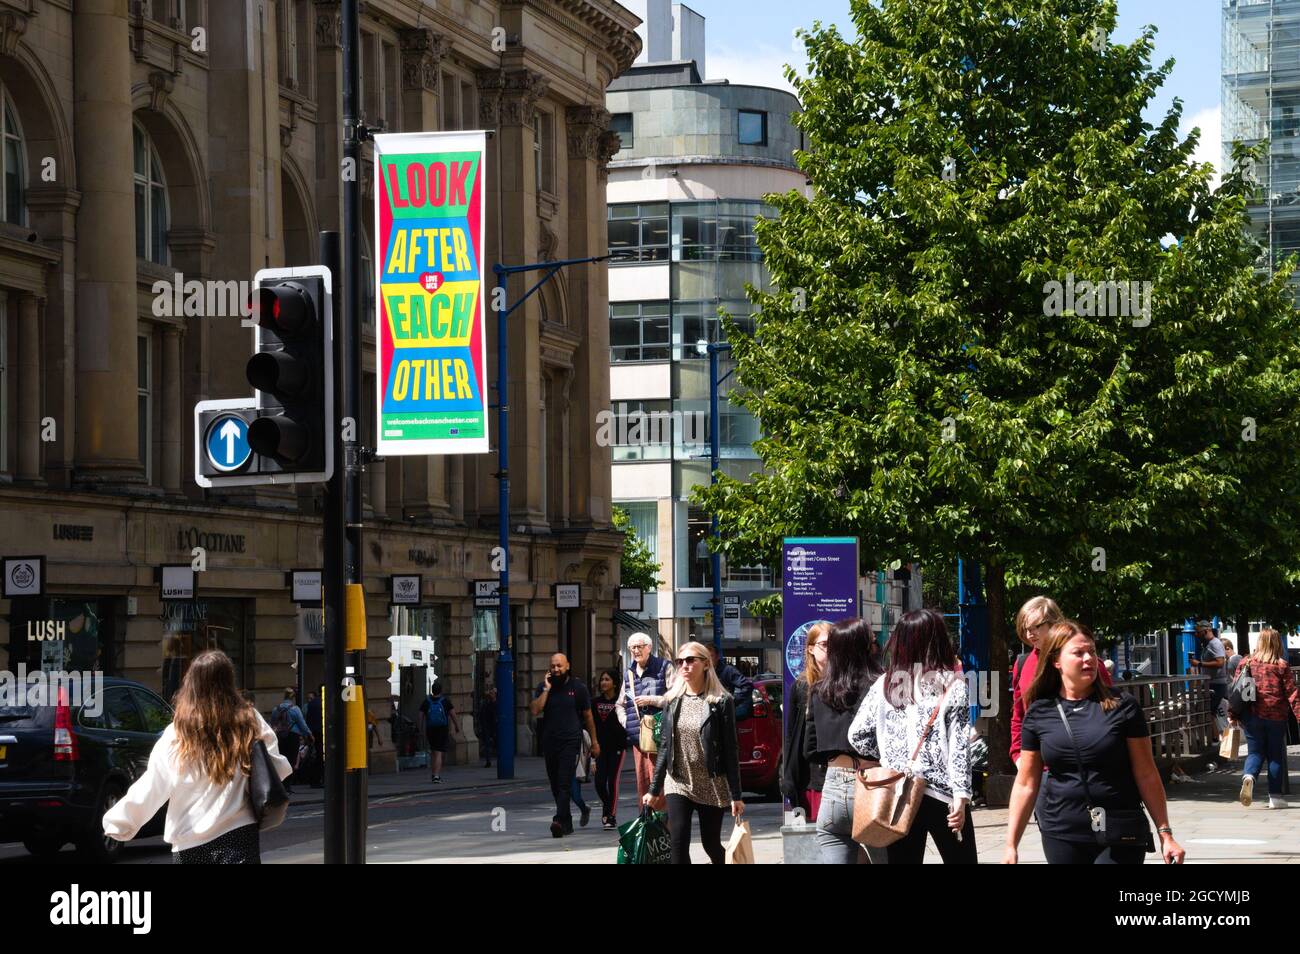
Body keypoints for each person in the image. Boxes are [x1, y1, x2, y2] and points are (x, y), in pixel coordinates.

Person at [1004, 621, 1185, 865]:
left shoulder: (1123, 706)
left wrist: (1165, 833)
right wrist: (1011, 845)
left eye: (1092, 651)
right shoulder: (1039, 712)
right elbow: (1026, 783)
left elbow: (1146, 772)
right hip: (1062, 831)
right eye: (1078, 653)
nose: (1088, 658)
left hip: (1120, 830)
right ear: (1056, 661)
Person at [102, 650, 292, 863]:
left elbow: (154, 784)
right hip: (239, 835)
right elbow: (277, 768)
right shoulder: (249, 720)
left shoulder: (178, 732)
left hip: (189, 841)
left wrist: (120, 822)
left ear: (191, 684)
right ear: (229, 681)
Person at [849, 609, 976, 864]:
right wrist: (962, 798)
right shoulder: (953, 686)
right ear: (938, 640)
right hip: (943, 796)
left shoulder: (885, 684)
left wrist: (887, 755)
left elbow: (857, 735)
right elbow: (959, 750)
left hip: (899, 793)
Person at [644, 641, 743, 864]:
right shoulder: (672, 700)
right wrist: (653, 789)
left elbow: (730, 749)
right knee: (677, 842)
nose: (684, 666)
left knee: (711, 844)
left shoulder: (720, 701)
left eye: (690, 660)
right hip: (678, 781)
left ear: (706, 664)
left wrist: (736, 794)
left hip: (711, 782)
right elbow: (665, 748)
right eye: (680, 662)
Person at [805, 618, 887, 863]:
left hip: (834, 787)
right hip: (875, 783)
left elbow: (809, 748)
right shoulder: (881, 686)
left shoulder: (819, 689)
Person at [530, 653, 600, 837]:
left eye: (559, 665)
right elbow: (535, 710)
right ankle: (566, 822)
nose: (556, 669)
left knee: (563, 783)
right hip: (550, 741)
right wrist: (546, 689)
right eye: (553, 666)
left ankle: (559, 820)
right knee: (555, 785)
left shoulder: (578, 687)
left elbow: (588, 716)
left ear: (567, 666)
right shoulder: (544, 687)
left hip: (571, 741)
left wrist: (594, 742)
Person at [1231, 627, 1300, 809]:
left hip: (1251, 715)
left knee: (1255, 752)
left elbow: (1236, 691)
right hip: (1276, 716)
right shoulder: (1282, 665)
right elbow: (1293, 694)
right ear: (1277, 643)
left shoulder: (1246, 663)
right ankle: (1275, 797)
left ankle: (1249, 776)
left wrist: (1233, 715)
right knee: (1275, 756)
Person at [782, 622, 829, 820]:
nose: (832, 650)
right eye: (825, 644)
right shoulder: (802, 686)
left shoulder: (847, 683)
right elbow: (792, 736)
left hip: (842, 776)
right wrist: (790, 779)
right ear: (810, 648)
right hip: (812, 778)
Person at [1010, 596, 1064, 767]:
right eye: (1026, 629)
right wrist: (1018, 756)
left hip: (1077, 766)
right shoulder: (1022, 663)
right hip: (1035, 767)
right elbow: (1018, 716)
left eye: (1036, 627)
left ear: (1054, 622)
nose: (1029, 634)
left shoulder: (1078, 657)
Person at [623, 633, 674, 802]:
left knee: (658, 779)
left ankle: (662, 823)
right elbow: (620, 704)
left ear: (649, 648)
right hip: (638, 737)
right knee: (642, 782)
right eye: (633, 648)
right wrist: (626, 722)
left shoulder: (664, 667)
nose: (636, 651)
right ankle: (646, 821)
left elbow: (675, 698)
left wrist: (652, 700)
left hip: (660, 735)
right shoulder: (629, 673)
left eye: (639, 646)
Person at [592, 668, 629, 830]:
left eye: (607, 679)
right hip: (600, 749)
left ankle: (611, 816)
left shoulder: (621, 702)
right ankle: (607, 806)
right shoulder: (595, 702)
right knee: (599, 782)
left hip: (617, 749)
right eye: (602, 679)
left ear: (614, 683)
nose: (603, 682)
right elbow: (590, 724)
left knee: (612, 782)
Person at [270, 688, 313, 793]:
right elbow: (302, 724)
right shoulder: (295, 709)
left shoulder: (276, 709)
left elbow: (272, 723)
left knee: (281, 760)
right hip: (293, 737)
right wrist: (309, 734)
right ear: (293, 697)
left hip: (280, 737)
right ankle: (287, 785)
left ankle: (280, 784)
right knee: (291, 761)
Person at [419, 679, 461, 783]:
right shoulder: (445, 701)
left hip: (430, 728)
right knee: (438, 753)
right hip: (442, 728)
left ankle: (433, 774)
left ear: (432, 690)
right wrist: (457, 726)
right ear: (441, 691)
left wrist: (420, 729)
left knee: (433, 751)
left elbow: (420, 716)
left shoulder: (426, 701)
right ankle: (437, 776)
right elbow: (453, 715)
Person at [1191, 620, 1228, 720]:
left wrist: (1199, 663)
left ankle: (1215, 735)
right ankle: (1214, 735)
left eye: (1198, 632)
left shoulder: (1215, 644)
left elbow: (1220, 662)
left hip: (1216, 686)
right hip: (1210, 684)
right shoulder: (1208, 644)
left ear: (1206, 631)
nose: (1196, 635)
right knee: (1205, 715)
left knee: (1208, 716)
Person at [707, 643, 754, 720]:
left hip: (723, 715)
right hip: (708, 713)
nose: (708, 659)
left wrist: (733, 701)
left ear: (717, 657)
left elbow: (747, 686)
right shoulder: (703, 671)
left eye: (711, 656)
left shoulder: (728, 670)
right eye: (705, 656)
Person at [478, 686, 499, 768]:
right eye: (490, 693)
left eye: (492, 693)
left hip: (494, 726)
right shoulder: (486, 703)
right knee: (487, 744)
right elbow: (482, 715)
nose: (491, 694)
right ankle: (488, 760)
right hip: (487, 726)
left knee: (496, 743)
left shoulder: (497, 704)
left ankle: (497, 758)